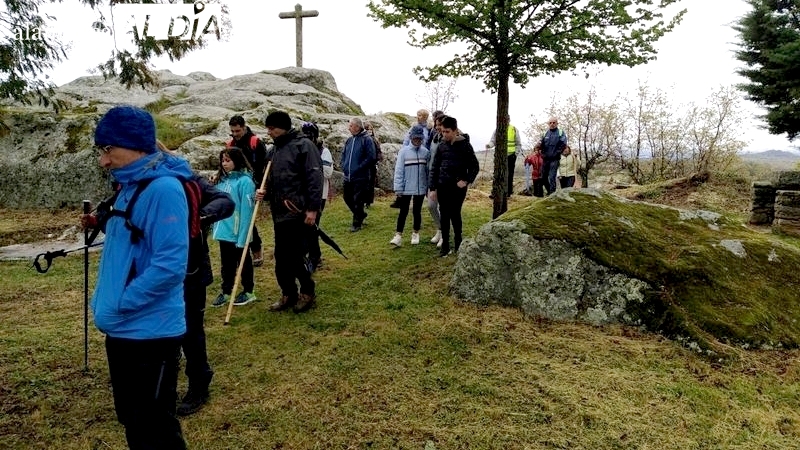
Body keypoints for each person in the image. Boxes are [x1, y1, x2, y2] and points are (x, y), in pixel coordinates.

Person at [87, 105, 192, 449]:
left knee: (155, 430)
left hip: (150, 333)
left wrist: (121, 303)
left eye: (108, 149)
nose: (103, 160)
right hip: (122, 330)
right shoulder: (129, 186)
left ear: (134, 145)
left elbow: (170, 265)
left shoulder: (163, 190)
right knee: (134, 422)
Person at [255, 111, 323, 313]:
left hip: (298, 211)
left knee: (295, 256)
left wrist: (312, 209)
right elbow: (268, 181)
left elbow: (314, 179)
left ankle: (307, 291)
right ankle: (288, 293)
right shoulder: (273, 151)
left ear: (283, 127)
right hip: (279, 212)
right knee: (281, 257)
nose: (269, 132)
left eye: (272, 128)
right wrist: (263, 192)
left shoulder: (304, 146)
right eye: (268, 128)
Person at [210, 147, 257, 308]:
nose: (224, 164)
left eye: (228, 160)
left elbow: (246, 211)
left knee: (243, 262)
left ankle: (248, 291)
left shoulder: (245, 182)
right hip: (223, 230)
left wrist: (243, 237)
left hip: (237, 232)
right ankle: (226, 291)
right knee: (226, 263)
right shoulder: (221, 181)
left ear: (236, 160)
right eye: (222, 161)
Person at [428, 116, 479, 257]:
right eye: (443, 131)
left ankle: (458, 243)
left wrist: (466, 180)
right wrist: (432, 188)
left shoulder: (465, 146)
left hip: (458, 188)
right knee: (444, 215)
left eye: (447, 131)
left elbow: (474, 166)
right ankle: (445, 246)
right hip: (442, 186)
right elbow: (434, 168)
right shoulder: (441, 146)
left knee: (455, 214)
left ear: (455, 130)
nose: (444, 134)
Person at [228, 115, 268, 267]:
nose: (235, 134)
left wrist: (262, 186)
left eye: (237, 131)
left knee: (248, 218)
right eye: (232, 131)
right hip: (236, 187)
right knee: (240, 217)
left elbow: (265, 165)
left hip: (253, 186)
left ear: (244, 127)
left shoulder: (255, 142)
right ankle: (241, 248)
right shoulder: (230, 144)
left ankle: (256, 248)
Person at [390, 124, 430, 247]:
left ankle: (415, 233)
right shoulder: (403, 152)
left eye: (419, 138)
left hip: (420, 188)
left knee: (417, 211)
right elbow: (399, 171)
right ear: (411, 137)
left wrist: (428, 187)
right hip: (406, 187)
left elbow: (428, 171)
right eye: (415, 138)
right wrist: (398, 188)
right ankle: (398, 235)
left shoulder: (426, 152)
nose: (417, 140)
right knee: (403, 211)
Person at [301, 121, 333, 272]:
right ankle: (310, 255)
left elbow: (327, 172)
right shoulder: (300, 149)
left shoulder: (323, 151)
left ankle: (314, 257)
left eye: (309, 135)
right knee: (304, 227)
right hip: (302, 195)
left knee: (312, 226)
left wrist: (312, 164)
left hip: (319, 194)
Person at [341, 117, 377, 232]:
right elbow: (344, 155)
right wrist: (343, 165)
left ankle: (356, 224)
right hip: (348, 175)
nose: (349, 128)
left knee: (358, 200)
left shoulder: (367, 140)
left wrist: (359, 167)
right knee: (347, 197)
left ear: (357, 127)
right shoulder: (349, 140)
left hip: (361, 176)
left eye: (351, 125)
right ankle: (360, 214)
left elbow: (371, 157)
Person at [486, 115, 523, 197]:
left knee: (509, 174)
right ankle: (495, 192)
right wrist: (489, 145)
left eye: (507, 119)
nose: (506, 120)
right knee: (497, 174)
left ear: (509, 120)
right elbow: (493, 141)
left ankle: (508, 192)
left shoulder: (514, 129)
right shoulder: (497, 129)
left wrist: (515, 154)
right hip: (499, 156)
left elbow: (518, 143)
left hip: (511, 156)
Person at [427, 113, 446, 246]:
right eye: (436, 124)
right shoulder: (434, 138)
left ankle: (444, 233)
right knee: (431, 205)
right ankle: (440, 228)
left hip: (444, 178)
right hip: (433, 176)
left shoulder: (449, 139)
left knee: (444, 208)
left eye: (440, 124)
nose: (438, 127)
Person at [540, 116, 567, 195]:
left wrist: (557, 153)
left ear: (557, 123)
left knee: (552, 177)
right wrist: (540, 151)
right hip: (545, 159)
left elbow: (563, 144)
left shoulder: (561, 132)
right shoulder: (545, 133)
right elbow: (541, 143)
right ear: (548, 124)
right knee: (543, 177)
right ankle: (549, 192)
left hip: (554, 159)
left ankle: (552, 194)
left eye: (554, 122)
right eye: (550, 123)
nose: (552, 124)